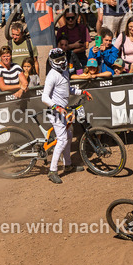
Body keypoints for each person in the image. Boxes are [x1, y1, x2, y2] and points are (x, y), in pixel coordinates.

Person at [41, 48, 92, 183]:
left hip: (63, 110)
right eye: (58, 60)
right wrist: (56, 107)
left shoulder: (63, 71)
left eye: (62, 58)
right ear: (52, 62)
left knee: (69, 136)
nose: (62, 62)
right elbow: (44, 97)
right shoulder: (52, 75)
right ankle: (52, 171)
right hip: (55, 112)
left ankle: (68, 165)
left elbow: (67, 88)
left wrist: (82, 92)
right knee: (62, 139)